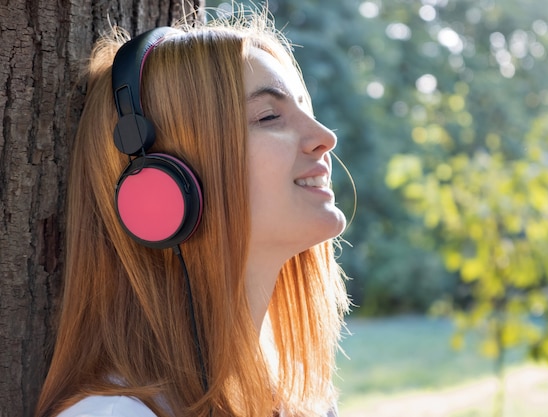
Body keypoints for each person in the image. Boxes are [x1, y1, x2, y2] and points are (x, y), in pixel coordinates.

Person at [35, 7, 350, 417]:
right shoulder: (115, 414)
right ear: (163, 188)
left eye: (307, 110)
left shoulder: (301, 401)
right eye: (269, 116)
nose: (325, 138)